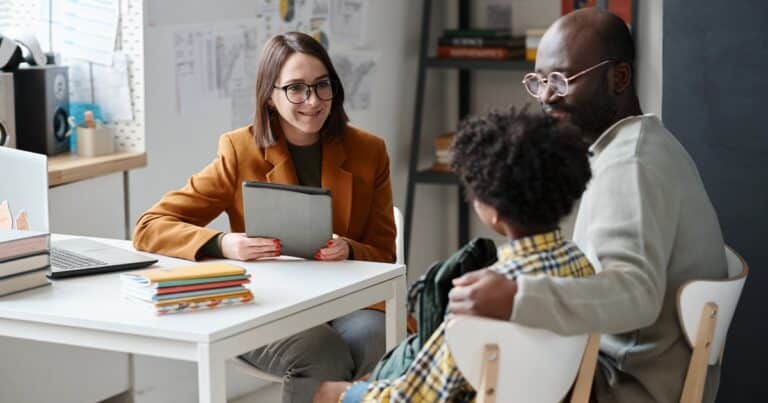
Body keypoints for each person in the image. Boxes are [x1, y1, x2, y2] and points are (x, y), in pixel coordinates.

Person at [446, 9, 727, 403]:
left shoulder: (630, 166)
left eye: (561, 80)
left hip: (627, 385)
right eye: (539, 81)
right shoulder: (644, 143)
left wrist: (517, 295)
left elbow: (636, 293)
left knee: (462, 366)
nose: (545, 96)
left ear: (619, 78)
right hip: (636, 367)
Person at [133, 32, 396, 403]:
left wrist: (349, 250)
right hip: (268, 303)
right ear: (269, 96)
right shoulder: (240, 151)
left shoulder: (368, 152)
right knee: (322, 351)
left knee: (370, 334)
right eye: (296, 89)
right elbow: (150, 225)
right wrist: (224, 243)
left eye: (323, 86)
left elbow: (385, 252)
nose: (313, 100)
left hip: (346, 302)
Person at [314, 109, 596, 402]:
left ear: (493, 211)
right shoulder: (582, 267)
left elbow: (412, 396)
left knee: (329, 392)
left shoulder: (481, 298)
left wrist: (342, 393)